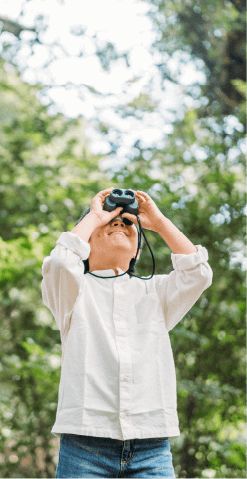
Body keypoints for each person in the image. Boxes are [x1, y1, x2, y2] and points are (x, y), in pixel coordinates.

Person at [41, 188, 212, 479]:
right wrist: (95, 215)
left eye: (129, 223)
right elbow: (60, 262)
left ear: (137, 250)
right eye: (109, 223)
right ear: (86, 243)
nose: (119, 223)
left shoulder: (156, 292)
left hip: (152, 445)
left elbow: (198, 274)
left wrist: (157, 222)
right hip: (84, 444)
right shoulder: (73, 291)